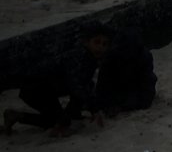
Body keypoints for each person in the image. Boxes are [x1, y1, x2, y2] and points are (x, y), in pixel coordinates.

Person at [3, 22, 156, 137]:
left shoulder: (92, 60)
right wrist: (94, 108)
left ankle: (20, 116)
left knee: (69, 108)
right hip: (37, 89)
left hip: (48, 88)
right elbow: (77, 84)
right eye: (96, 42)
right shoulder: (80, 58)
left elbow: (84, 86)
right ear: (86, 42)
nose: (100, 47)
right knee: (59, 120)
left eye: (104, 44)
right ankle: (49, 124)